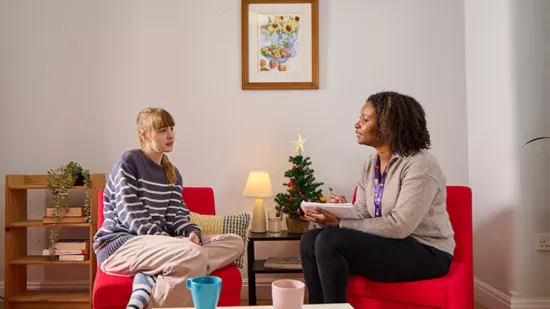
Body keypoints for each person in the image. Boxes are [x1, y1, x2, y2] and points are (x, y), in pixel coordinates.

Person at [301, 91, 455, 304]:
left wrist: (340, 223)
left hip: (427, 252)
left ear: (388, 125)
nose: (357, 124)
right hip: (389, 244)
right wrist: (342, 210)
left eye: (365, 119)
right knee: (310, 240)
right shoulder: (370, 164)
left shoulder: (421, 165)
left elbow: (400, 227)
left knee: (330, 241)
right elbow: (364, 214)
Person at [92, 107, 244, 309]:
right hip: (121, 245)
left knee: (235, 242)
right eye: (162, 130)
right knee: (194, 255)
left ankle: (150, 277)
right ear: (144, 134)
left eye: (171, 128)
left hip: (161, 245)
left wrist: (192, 233)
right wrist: (176, 243)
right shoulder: (129, 162)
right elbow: (131, 216)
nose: (170, 135)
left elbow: (177, 215)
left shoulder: (172, 173)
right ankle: (158, 277)